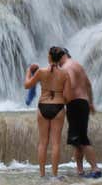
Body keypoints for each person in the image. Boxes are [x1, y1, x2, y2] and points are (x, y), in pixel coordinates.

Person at [24, 46, 70, 178]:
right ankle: (55, 175)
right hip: (58, 106)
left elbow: (27, 85)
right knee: (56, 143)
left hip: (43, 106)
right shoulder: (65, 74)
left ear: (49, 57)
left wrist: (29, 71)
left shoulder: (41, 72)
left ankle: (42, 175)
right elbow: (67, 95)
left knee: (43, 142)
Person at [58, 47, 102, 178]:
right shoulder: (77, 65)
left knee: (82, 139)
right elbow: (88, 84)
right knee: (76, 140)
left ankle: (95, 169)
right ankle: (80, 171)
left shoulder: (67, 67)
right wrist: (91, 103)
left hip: (75, 103)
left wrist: (62, 101)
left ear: (62, 56)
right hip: (82, 103)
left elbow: (69, 85)